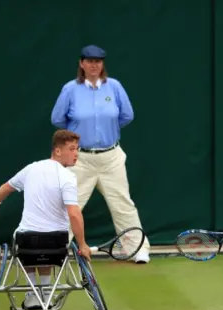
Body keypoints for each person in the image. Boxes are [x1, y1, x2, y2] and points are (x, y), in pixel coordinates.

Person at [50, 44, 150, 264]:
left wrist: (106, 132)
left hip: (111, 157)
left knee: (123, 203)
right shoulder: (70, 89)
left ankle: (137, 249)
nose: (93, 65)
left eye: (98, 61)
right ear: (82, 64)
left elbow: (127, 115)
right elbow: (57, 119)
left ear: (102, 64)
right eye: (89, 61)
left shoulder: (114, 87)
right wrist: (79, 133)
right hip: (80, 159)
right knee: (69, 204)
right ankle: (56, 250)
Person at [0, 129, 91, 309]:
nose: (76, 154)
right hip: (57, 242)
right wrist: (82, 245)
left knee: (30, 246)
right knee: (45, 247)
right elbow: (74, 213)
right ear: (58, 151)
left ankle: (33, 294)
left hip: (26, 241)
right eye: (72, 149)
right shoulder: (68, 177)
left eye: (77, 149)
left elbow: (6, 187)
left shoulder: (31, 168)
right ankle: (43, 293)